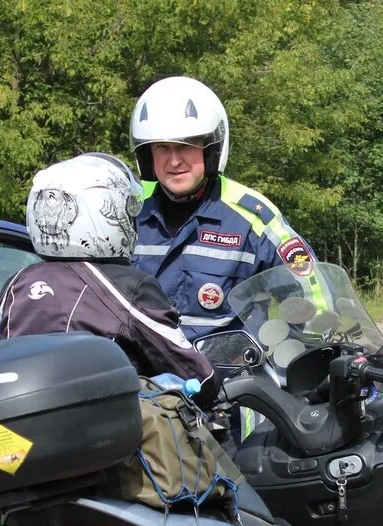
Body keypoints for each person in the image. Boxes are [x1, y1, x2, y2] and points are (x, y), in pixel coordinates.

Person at [0, 152, 217, 404]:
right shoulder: (129, 287)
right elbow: (196, 375)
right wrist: (215, 384)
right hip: (100, 430)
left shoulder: (18, 283)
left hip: (23, 421)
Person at [128, 75, 329, 339]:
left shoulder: (252, 218)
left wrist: (303, 358)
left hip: (229, 376)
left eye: (186, 146)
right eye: (162, 148)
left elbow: (311, 294)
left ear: (211, 150)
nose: (174, 161)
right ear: (147, 155)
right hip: (143, 377)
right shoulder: (128, 212)